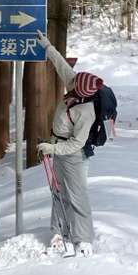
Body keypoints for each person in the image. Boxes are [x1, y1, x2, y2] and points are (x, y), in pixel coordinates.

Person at [36, 30, 103, 257]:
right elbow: (60, 65)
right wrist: (47, 46)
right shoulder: (75, 84)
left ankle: (83, 239)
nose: (70, 82)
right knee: (58, 191)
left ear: (80, 91)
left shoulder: (86, 111)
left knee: (77, 196)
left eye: (73, 82)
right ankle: (59, 231)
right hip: (57, 148)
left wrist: (52, 148)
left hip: (74, 156)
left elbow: (76, 143)